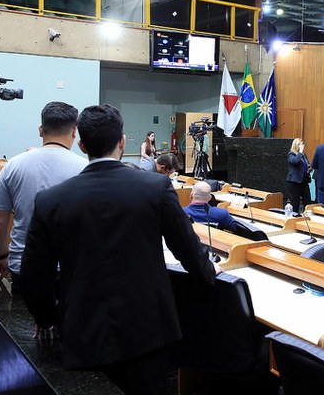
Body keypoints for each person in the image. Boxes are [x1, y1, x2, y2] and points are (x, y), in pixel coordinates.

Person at [20, 104, 221, 395]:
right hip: (148, 330)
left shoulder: (50, 200)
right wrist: (210, 274)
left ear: (81, 144)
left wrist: (47, 317)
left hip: (83, 331)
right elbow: (187, 249)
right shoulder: (156, 188)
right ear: (122, 141)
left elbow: (34, 274)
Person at [0, 101, 88, 292]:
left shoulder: (14, 165)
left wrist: (0, 257)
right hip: (71, 267)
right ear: (74, 132)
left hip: (24, 265)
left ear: (41, 130)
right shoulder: (85, 169)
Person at [286, 137, 311, 211]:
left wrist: (309, 168)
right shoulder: (291, 154)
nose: (303, 146)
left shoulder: (303, 155)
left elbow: (306, 164)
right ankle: (294, 215)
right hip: (295, 182)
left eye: (303, 144)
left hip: (304, 181)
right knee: (295, 202)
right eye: (301, 144)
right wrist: (300, 152)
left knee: (307, 201)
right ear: (296, 145)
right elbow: (295, 161)